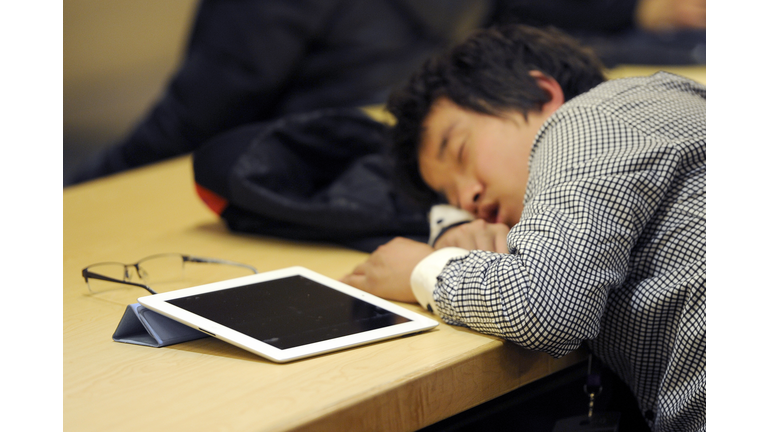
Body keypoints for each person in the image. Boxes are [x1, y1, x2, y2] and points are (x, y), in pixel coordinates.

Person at [341, 25, 705, 431]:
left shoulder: (591, 117)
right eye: (449, 194)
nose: (467, 198)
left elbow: (545, 306)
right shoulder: (664, 111)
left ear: (543, 95)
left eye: (461, 151)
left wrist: (422, 270)